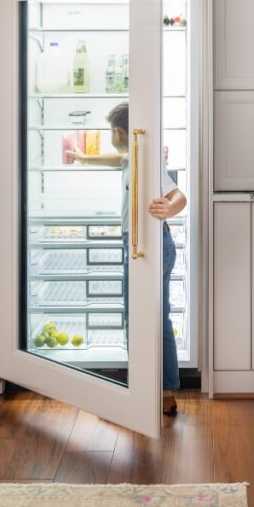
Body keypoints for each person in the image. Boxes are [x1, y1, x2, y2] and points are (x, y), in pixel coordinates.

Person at [71, 102, 186, 417]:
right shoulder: (133, 156)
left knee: (137, 318)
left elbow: (179, 196)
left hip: (148, 247)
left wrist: (168, 209)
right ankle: (164, 392)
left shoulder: (146, 163)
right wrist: (85, 158)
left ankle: (139, 395)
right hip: (150, 245)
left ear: (119, 132)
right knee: (157, 318)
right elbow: (116, 159)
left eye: (111, 131)